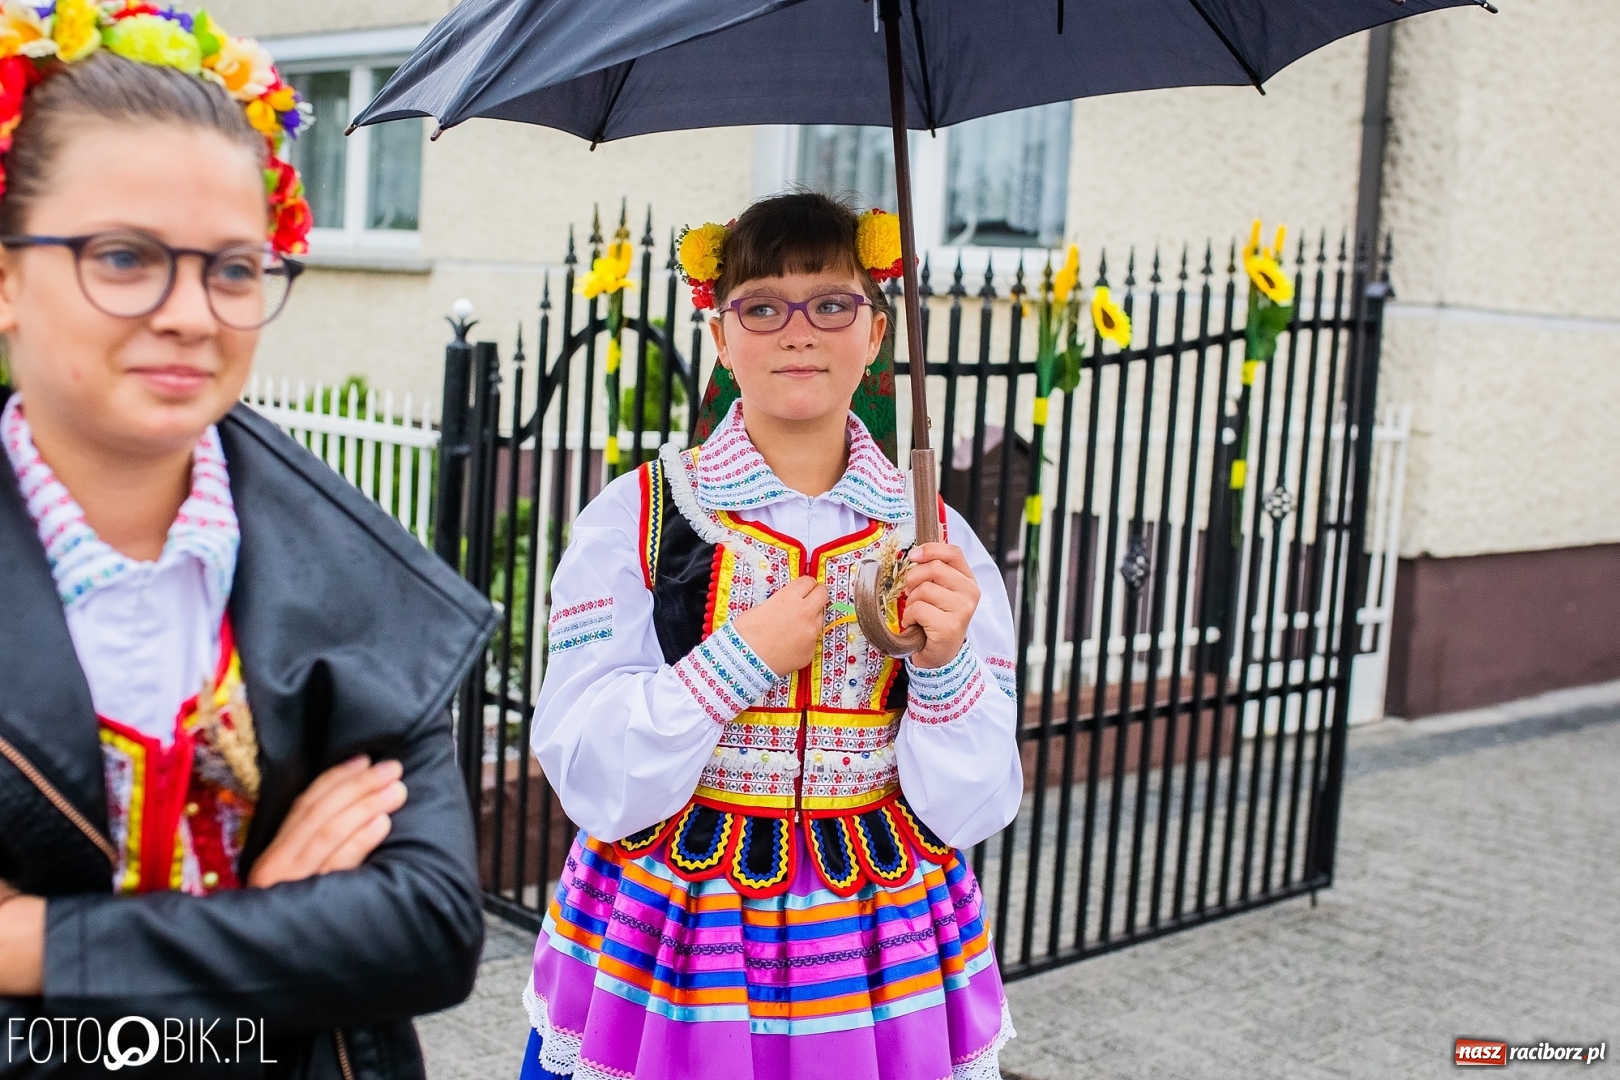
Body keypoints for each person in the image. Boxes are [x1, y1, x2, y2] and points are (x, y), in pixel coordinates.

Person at [0, 9, 492, 1076]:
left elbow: (434, 934)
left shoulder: (359, 580)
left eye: (231, 268)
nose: (191, 312)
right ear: (4, 277)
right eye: (124, 257)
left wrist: (41, 943)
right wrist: (271, 934)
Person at [521, 192, 1022, 1080]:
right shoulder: (640, 518)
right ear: (720, 335)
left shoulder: (938, 539)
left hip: (873, 947)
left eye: (833, 304)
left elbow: (973, 809)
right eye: (762, 307)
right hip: (678, 933)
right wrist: (734, 661)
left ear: (875, 336)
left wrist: (943, 669)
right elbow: (584, 764)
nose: (799, 332)